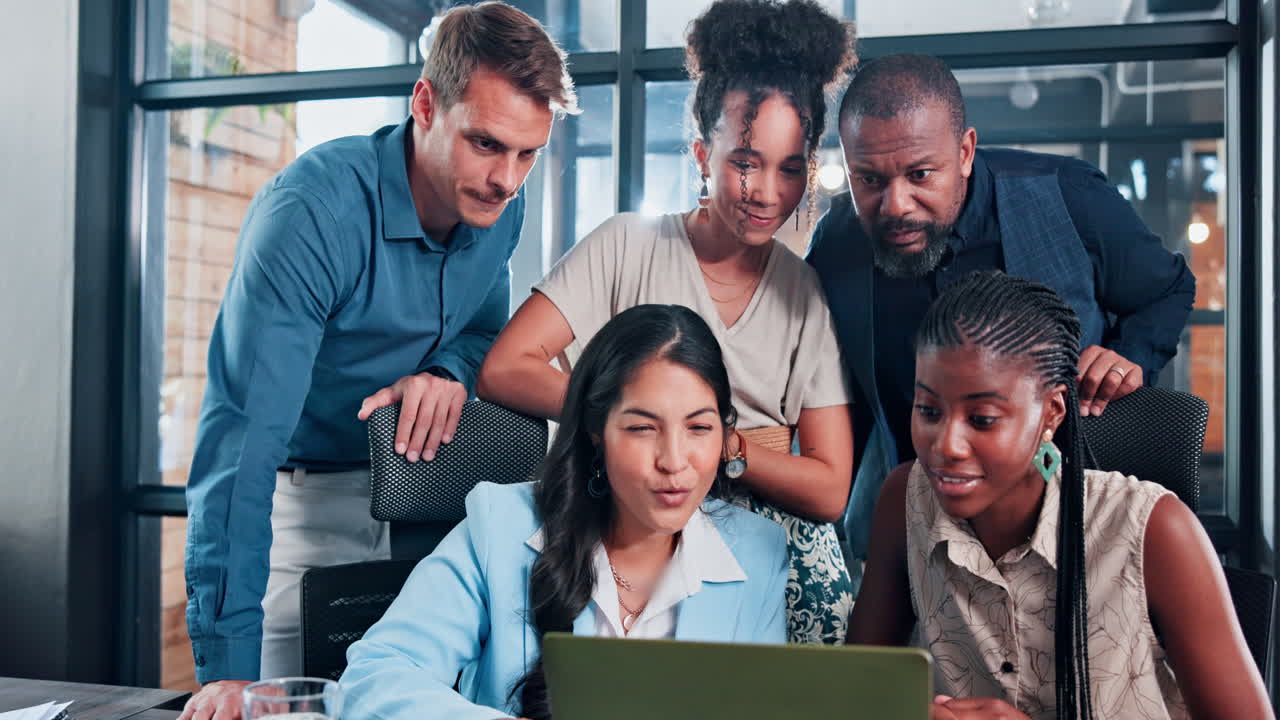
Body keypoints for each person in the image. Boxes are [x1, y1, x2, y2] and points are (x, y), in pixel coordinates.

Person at [178, 4, 578, 718]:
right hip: (305, 505)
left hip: (435, 511)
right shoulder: (310, 216)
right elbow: (241, 454)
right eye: (486, 143)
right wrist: (229, 672)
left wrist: (445, 375)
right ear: (425, 103)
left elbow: (488, 335)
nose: (507, 179)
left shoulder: (500, 208)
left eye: (528, 153)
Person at [477, 0, 858, 645]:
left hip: (761, 541)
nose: (766, 191)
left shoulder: (805, 294)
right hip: (625, 512)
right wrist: (632, 415)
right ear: (702, 154)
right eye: (745, 160)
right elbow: (505, 368)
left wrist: (719, 447)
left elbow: (827, 490)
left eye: (790, 168)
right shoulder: (628, 244)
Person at [807, 54, 1196, 584]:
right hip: (924, 536)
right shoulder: (837, 245)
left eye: (920, 174)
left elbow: (1168, 288)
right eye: (869, 179)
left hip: (1079, 536)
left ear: (965, 151)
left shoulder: (1067, 195)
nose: (895, 204)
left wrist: (1131, 355)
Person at [847, 271, 1269, 720]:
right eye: (928, 410)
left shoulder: (1154, 528)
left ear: (1051, 413)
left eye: (984, 418)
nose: (946, 444)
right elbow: (857, 692)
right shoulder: (905, 499)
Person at [340, 304, 788, 720]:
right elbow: (375, 674)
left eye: (699, 428)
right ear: (597, 432)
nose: (674, 460)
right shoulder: (500, 523)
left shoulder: (759, 554)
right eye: (641, 428)